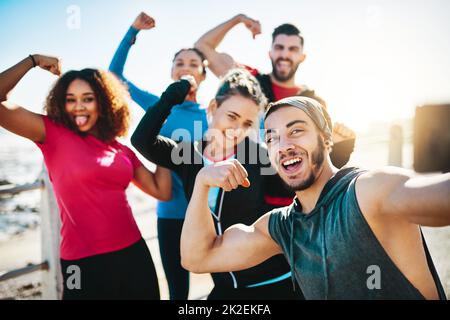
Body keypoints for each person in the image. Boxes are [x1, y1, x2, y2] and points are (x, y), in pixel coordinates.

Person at [180, 96, 449, 300]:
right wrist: (202, 182)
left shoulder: (367, 190)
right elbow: (198, 258)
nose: (284, 146)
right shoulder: (282, 227)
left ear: (326, 138)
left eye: (296, 131)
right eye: (272, 138)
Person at [0, 54, 172, 299]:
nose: (79, 106)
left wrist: (162, 133)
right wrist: (33, 60)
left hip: (134, 254)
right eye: (71, 100)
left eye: (88, 99)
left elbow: (160, 190)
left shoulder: (120, 148)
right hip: (82, 264)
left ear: (103, 102)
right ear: (61, 103)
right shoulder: (50, 133)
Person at [131, 69, 303, 300]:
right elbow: (141, 140)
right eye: (231, 116)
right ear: (212, 108)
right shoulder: (189, 155)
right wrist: (173, 95)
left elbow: (301, 185)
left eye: (247, 123)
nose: (237, 129)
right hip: (226, 287)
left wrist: (338, 152)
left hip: (276, 283)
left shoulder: (260, 156)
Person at [109, 12, 208, 300]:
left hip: (207, 215)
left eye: (193, 63)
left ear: (202, 74)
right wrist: (132, 32)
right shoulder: (159, 105)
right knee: (178, 291)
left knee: (224, 282)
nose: (185, 67)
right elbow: (114, 77)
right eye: (179, 63)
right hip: (170, 216)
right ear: (171, 72)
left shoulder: (213, 114)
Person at [195, 14, 356, 170]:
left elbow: (321, 161)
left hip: (293, 192)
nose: (285, 55)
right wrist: (238, 19)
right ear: (270, 52)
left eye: (292, 49)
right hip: (251, 188)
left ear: (302, 56)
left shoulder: (313, 102)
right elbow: (202, 47)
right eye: (279, 48)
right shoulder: (251, 84)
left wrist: (340, 145)